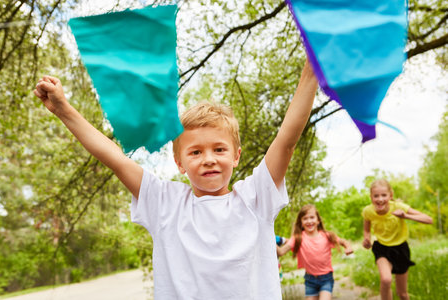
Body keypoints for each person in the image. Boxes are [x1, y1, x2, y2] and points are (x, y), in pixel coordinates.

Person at [34, 58, 318, 299]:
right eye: (195, 152)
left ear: (236, 156)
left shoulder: (256, 197)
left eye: (219, 149)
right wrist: (63, 109)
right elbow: (115, 158)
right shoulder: (164, 203)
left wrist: (313, 68)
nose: (208, 158)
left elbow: (286, 140)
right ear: (179, 163)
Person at [362, 179, 433, 300]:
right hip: (382, 248)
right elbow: (367, 229)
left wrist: (405, 216)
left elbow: (428, 219)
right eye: (376, 196)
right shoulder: (368, 211)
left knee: (403, 294)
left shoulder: (399, 207)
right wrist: (366, 239)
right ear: (371, 197)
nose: (380, 199)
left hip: (400, 249)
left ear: (391, 195)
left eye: (384, 195)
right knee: (386, 279)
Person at [277, 204, 353, 300]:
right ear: (301, 222)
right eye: (305, 218)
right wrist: (270, 238)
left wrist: (348, 247)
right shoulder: (297, 238)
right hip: (310, 280)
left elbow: (343, 242)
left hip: (326, 279)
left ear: (318, 220)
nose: (309, 221)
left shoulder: (327, 236)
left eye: (312, 217)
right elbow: (281, 252)